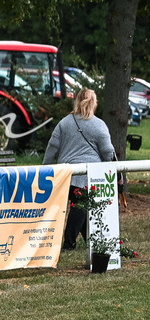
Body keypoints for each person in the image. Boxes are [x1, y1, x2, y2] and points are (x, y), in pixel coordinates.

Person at [42, 88, 115, 250]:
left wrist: (45, 169)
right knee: (80, 208)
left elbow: (52, 146)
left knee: (80, 206)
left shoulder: (64, 122)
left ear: (77, 101)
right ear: (94, 103)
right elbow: (107, 152)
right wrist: (114, 171)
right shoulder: (99, 125)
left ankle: (91, 239)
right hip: (87, 177)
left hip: (65, 175)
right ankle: (69, 243)